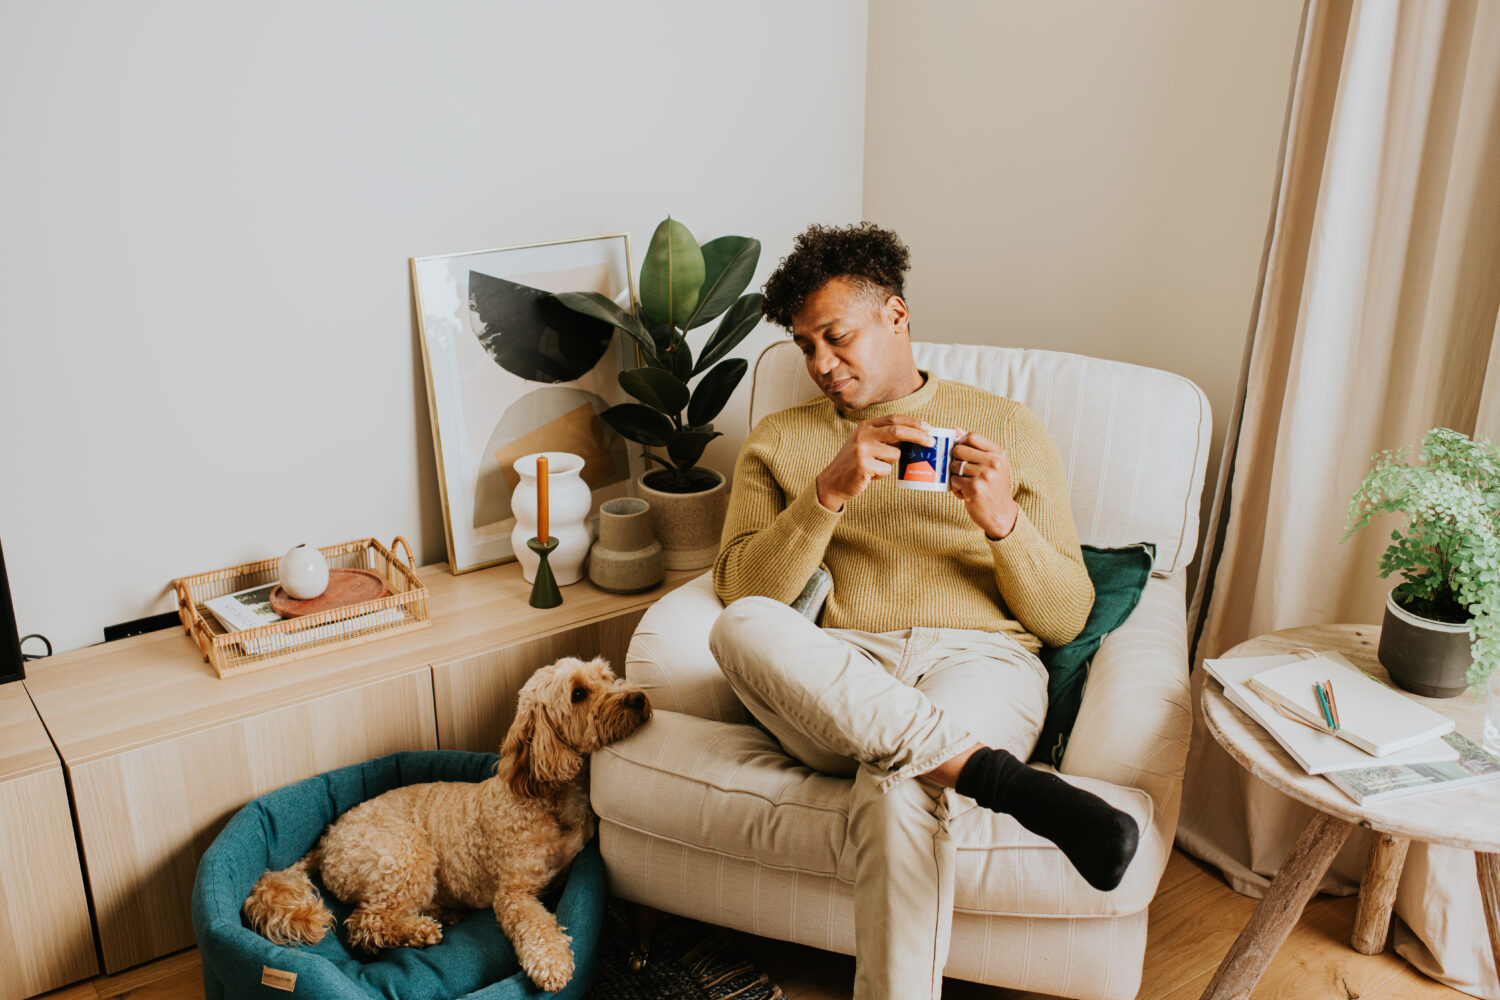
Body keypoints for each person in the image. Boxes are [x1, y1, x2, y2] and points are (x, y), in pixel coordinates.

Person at [708, 222, 1139, 1000]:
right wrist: (826, 496)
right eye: (805, 347)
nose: (821, 364)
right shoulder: (778, 441)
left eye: (837, 337)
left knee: (897, 787)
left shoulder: (1009, 429)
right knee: (736, 626)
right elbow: (744, 591)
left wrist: (1003, 523)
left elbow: (1066, 619)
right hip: (842, 674)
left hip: (980, 662)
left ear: (896, 315)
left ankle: (952, 767)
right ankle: (1000, 781)